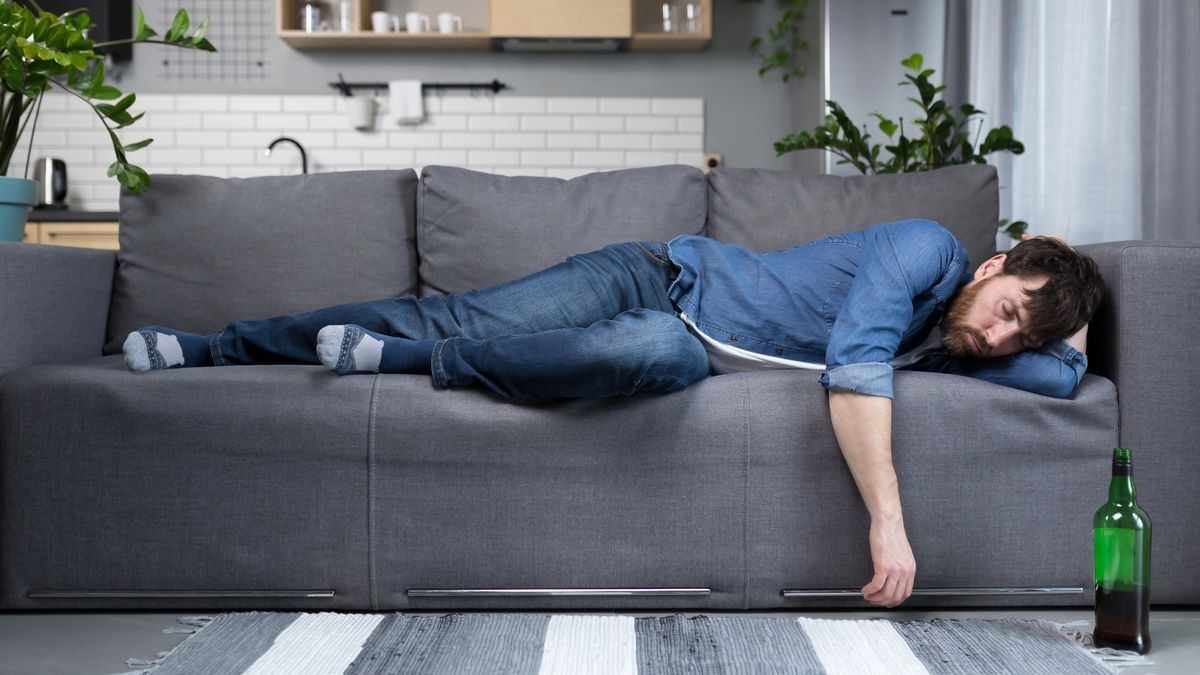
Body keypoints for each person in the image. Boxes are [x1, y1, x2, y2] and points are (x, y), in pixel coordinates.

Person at [122, 218, 1104, 608]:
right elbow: (852, 370)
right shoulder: (926, 252)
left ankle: (411, 365)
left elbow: (1060, 385)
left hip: (667, 342)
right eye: (1009, 308)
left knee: (652, 357)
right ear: (989, 266)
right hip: (655, 278)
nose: (1005, 336)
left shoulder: (964, 342)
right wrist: (889, 523)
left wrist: (1051, 343)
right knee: (451, 310)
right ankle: (215, 347)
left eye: (1024, 334)